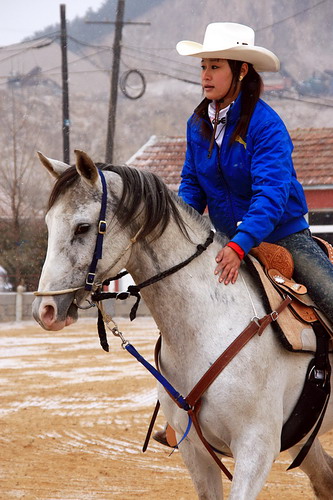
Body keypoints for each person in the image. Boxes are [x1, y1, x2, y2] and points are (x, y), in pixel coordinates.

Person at [153, 21, 333, 448]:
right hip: (224, 237)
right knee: (182, 310)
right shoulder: (197, 125)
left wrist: (239, 244)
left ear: (241, 71)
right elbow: (192, 186)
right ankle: (177, 410)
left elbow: (271, 197)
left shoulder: (267, 126)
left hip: (283, 237)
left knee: (330, 295)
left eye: (215, 66)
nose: (205, 75)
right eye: (203, 66)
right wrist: (181, 229)